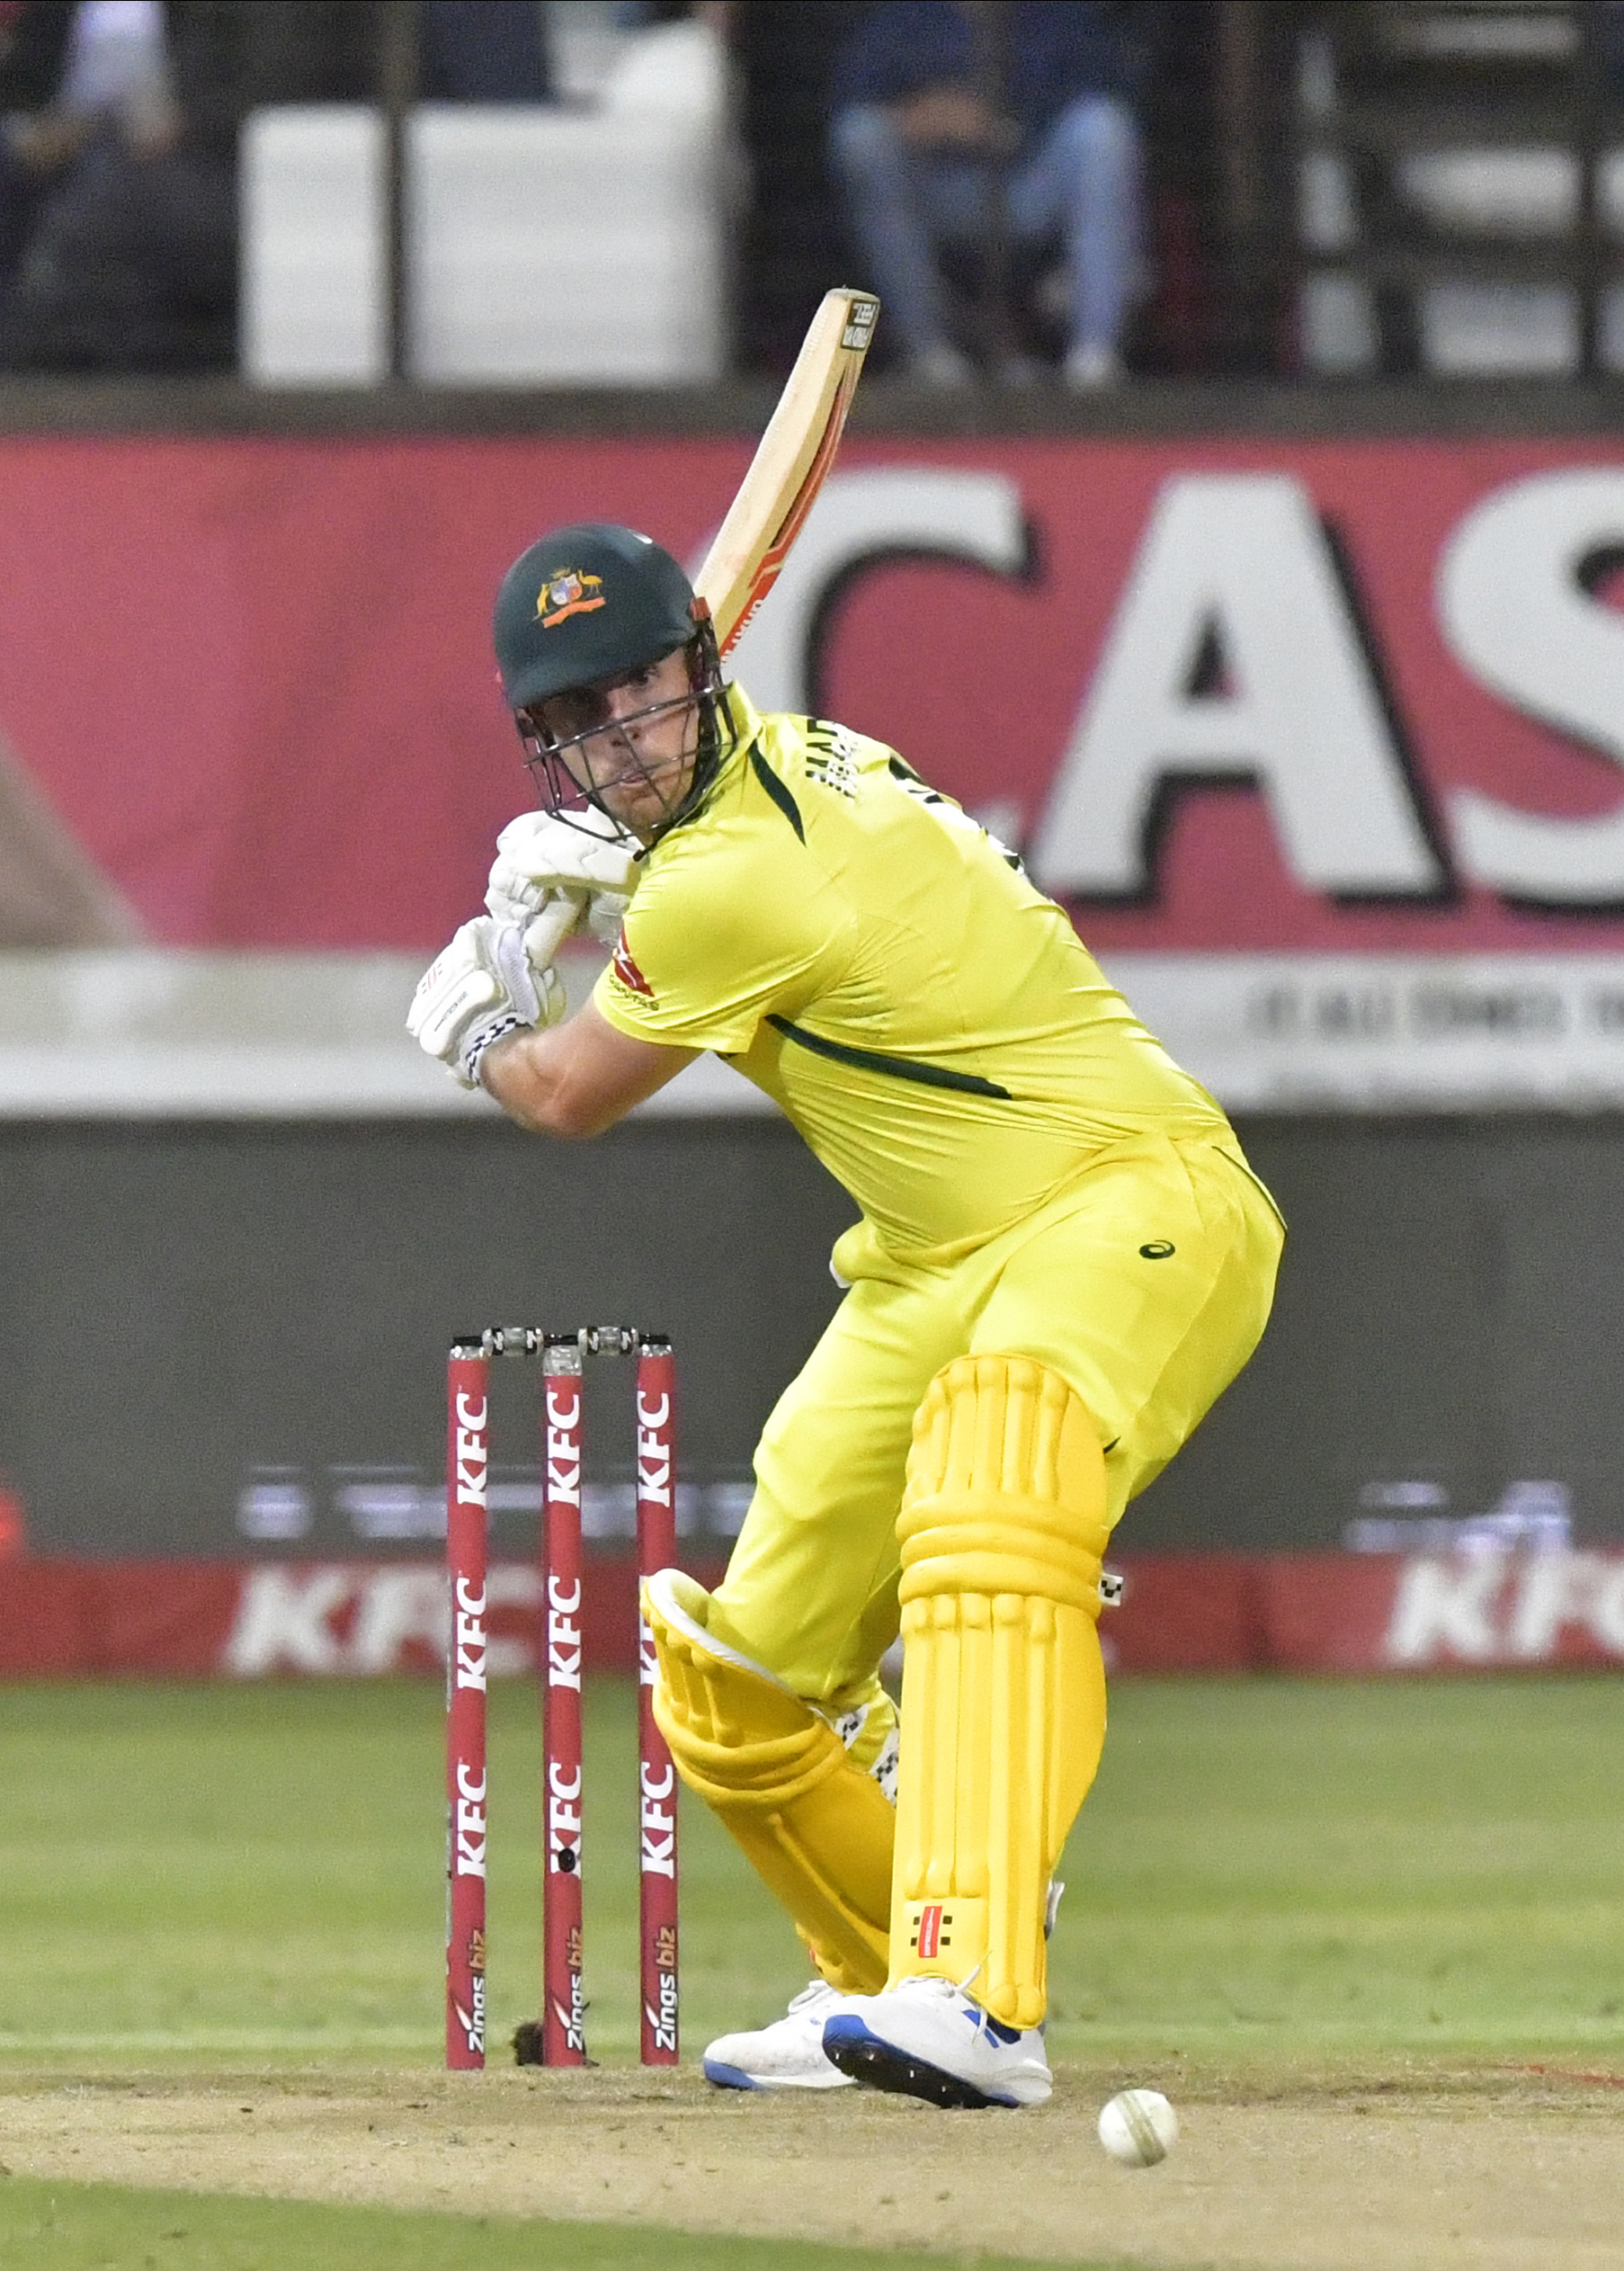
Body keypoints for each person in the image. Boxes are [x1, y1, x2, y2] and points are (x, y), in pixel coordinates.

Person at [408, 523, 1284, 2110]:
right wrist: (625, 880)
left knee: (992, 1479)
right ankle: (883, 1973)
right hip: (937, 1260)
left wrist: (482, 1013)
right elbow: (726, 871)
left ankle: (976, 1988)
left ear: (701, 666)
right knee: (740, 1675)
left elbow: (565, 1095)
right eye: (577, 723)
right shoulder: (797, 763)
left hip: (1128, 1201)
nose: (620, 744)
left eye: (641, 697)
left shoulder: (728, 886)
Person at [828, 0, 1147, 388]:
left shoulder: (1059, 16)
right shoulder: (904, 18)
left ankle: (1094, 357)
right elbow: (850, 102)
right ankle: (927, 353)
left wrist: (1003, 122)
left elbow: (1110, 91)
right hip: (941, 194)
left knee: (1102, 130)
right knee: (862, 139)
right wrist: (918, 115)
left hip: (1029, 192)